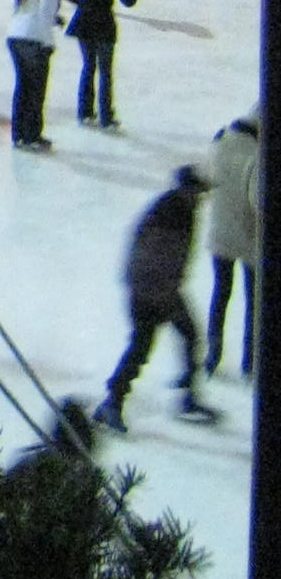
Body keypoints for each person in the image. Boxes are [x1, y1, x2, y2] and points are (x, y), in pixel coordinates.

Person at [94, 170, 216, 432]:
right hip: (149, 291)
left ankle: (187, 394)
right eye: (199, 193)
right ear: (188, 191)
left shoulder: (178, 210)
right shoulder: (172, 215)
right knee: (142, 347)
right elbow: (155, 259)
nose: (202, 199)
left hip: (161, 289)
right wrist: (162, 298)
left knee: (188, 336)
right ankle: (112, 402)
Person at [204, 108, 260, 380]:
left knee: (220, 294)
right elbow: (258, 201)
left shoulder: (220, 142)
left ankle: (212, 355)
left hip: (219, 235)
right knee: (254, 302)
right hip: (249, 239)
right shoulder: (257, 156)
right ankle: (251, 360)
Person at [63, 0, 140, 131]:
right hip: (104, 25)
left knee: (88, 67)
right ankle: (106, 116)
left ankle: (85, 112)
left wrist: (82, 4)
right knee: (105, 72)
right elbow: (128, 1)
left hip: (84, 23)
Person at [4, 0, 64, 152]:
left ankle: (18, 134)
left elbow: (27, 10)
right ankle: (32, 134)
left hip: (15, 35)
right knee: (36, 90)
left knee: (22, 87)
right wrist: (48, 44)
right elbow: (45, 16)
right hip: (34, 39)